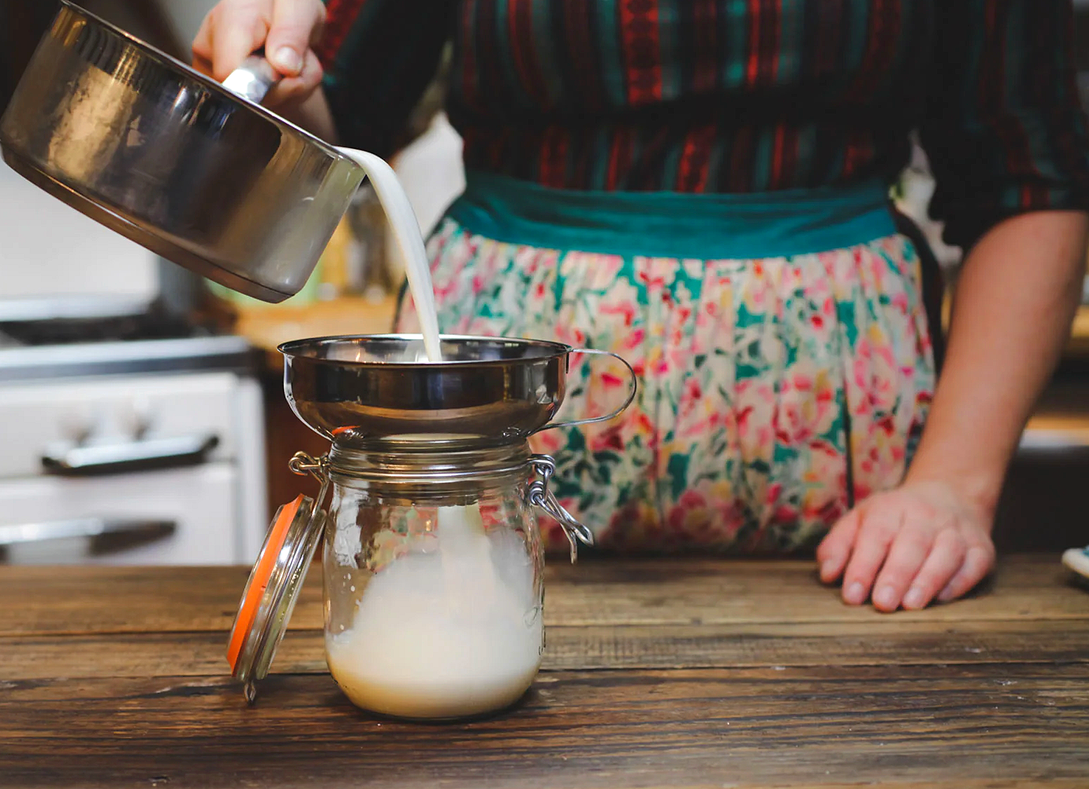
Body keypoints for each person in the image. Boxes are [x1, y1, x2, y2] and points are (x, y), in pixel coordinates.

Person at [193, 1, 1089, 612]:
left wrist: (951, 487)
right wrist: (280, 67)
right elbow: (341, 120)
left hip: (851, 502)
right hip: (480, 440)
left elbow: (1029, 174)